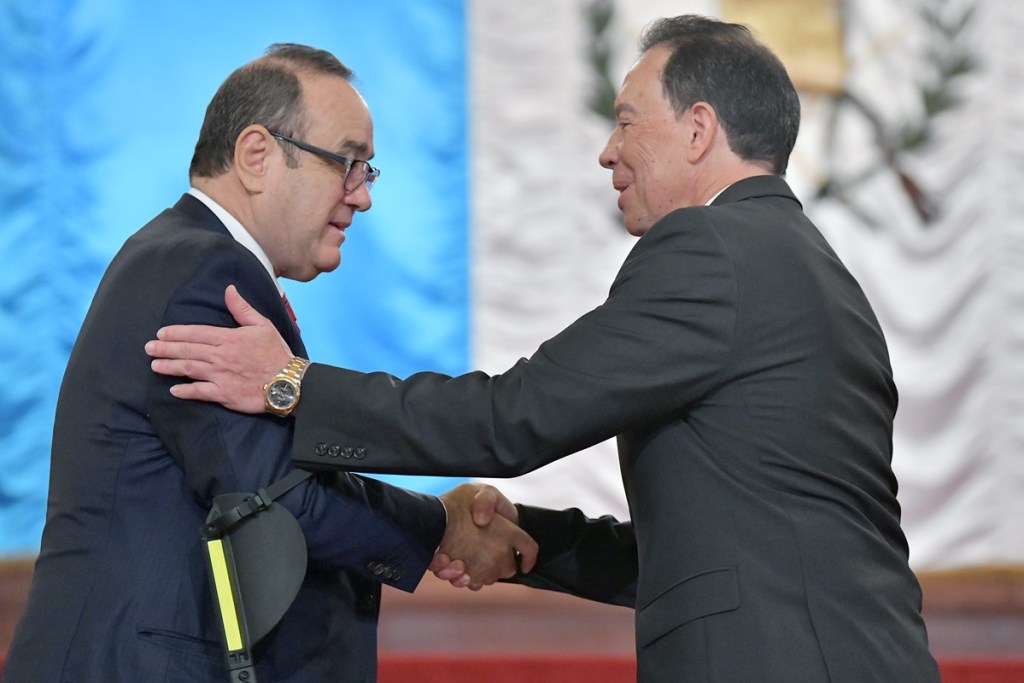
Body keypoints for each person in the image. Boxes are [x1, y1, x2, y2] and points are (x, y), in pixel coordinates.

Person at [144, 17, 942, 682]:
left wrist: (292, 386)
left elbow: (511, 418)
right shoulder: (808, 264)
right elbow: (709, 546)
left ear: (699, 129)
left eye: (627, 120)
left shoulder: (712, 249)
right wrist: (525, 538)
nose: (607, 149)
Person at [2, 44, 535, 683]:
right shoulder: (203, 269)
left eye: (369, 169)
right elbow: (274, 499)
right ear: (257, 155)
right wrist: (439, 526)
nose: (362, 196)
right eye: (348, 163)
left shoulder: (179, 255)